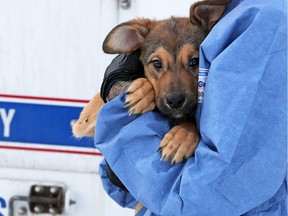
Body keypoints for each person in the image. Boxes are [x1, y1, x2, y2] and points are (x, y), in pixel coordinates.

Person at [95, 0, 287, 215]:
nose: (175, 88)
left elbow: (198, 197)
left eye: (194, 63)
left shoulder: (264, 20)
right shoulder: (237, 11)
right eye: (158, 64)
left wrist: (122, 120)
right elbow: (131, 194)